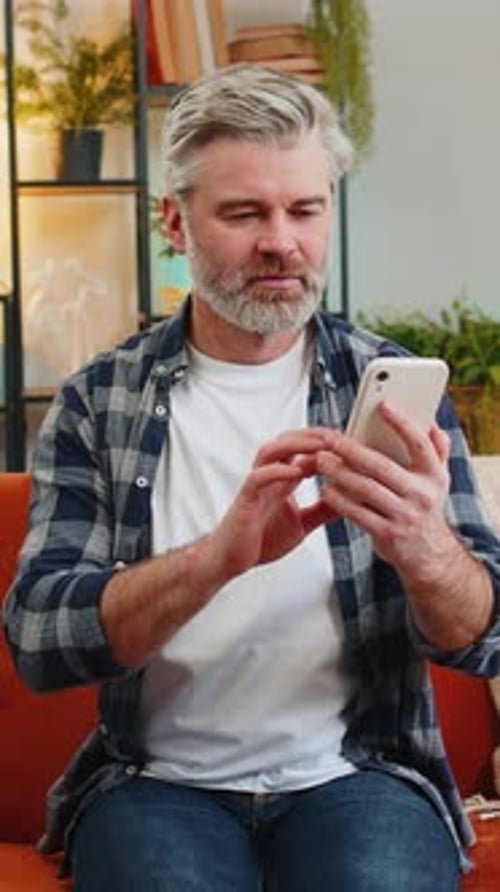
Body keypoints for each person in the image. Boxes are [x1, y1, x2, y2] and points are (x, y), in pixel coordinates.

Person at [4, 63, 500, 892]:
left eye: (305, 209)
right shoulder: (99, 400)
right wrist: (219, 558)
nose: (281, 242)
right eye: (244, 213)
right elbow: (38, 640)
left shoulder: (392, 386)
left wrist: (426, 549)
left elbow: (484, 636)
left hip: (360, 777)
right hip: (157, 785)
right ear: (175, 222)